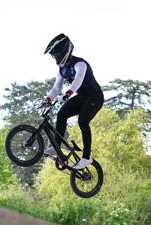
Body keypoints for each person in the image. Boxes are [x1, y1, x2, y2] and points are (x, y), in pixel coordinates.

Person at [42, 33, 104, 169]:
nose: (56, 58)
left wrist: (67, 94)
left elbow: (78, 80)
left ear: (65, 51)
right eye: (54, 55)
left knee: (82, 121)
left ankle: (86, 157)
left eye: (57, 54)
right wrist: (47, 99)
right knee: (61, 114)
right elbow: (56, 87)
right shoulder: (61, 69)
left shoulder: (80, 64)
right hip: (82, 97)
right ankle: (56, 147)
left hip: (95, 97)